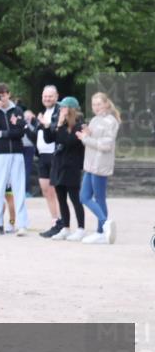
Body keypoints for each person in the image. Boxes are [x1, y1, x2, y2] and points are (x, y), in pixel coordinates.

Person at [0, 83, 28, 237]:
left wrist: (2, 133)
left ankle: (22, 224)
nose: (1, 97)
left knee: (18, 189)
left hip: (16, 153)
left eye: (3, 94)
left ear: (8, 94)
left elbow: (20, 132)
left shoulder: (17, 110)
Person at [78, 92, 121, 244]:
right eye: (94, 104)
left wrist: (86, 138)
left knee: (99, 197)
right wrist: (87, 134)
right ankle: (105, 224)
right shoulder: (95, 120)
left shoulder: (111, 121)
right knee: (84, 197)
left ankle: (101, 230)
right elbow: (92, 140)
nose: (96, 107)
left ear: (106, 104)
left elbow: (106, 145)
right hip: (90, 164)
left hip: (101, 164)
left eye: (99, 104)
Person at [42, 96, 86, 241]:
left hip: (71, 166)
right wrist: (47, 127)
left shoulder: (79, 126)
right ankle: (66, 228)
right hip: (59, 165)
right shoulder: (61, 123)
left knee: (75, 198)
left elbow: (66, 141)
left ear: (71, 109)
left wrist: (59, 125)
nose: (60, 109)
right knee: (61, 198)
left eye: (63, 107)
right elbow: (49, 139)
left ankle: (80, 228)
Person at [27, 86, 62, 238]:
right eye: (45, 96)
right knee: (46, 190)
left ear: (56, 96)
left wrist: (46, 124)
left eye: (50, 96)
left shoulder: (60, 112)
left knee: (56, 191)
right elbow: (35, 136)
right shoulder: (43, 114)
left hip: (55, 155)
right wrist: (25, 125)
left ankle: (61, 222)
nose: (47, 99)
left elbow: (55, 131)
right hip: (42, 156)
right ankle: (55, 221)